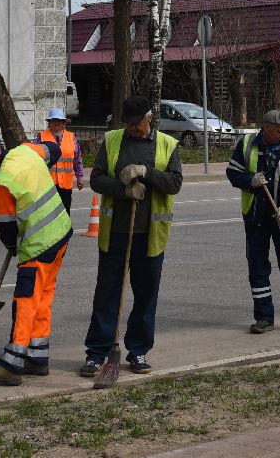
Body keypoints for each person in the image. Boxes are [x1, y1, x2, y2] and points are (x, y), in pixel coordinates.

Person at [79, 95, 182, 377]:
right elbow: (97, 179)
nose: (132, 129)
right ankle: (97, 352)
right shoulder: (113, 141)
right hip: (115, 233)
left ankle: (138, 351)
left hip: (149, 235)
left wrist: (146, 173)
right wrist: (122, 190)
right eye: (128, 125)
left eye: (136, 124)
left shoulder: (166, 145)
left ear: (149, 118)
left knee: (146, 294)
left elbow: (174, 183)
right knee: (107, 293)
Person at [0, 132, 72, 385]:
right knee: (43, 299)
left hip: (38, 247)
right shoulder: (25, 151)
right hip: (61, 235)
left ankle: (12, 365)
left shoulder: (3, 182)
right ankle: (37, 358)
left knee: (24, 302)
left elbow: (7, 229)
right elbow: (53, 151)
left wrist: (12, 246)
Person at [225, 109, 280, 333]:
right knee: (258, 267)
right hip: (256, 217)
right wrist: (250, 181)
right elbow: (232, 173)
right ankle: (264, 317)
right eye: (279, 132)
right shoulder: (247, 145)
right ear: (267, 128)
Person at [38, 108, 85, 212]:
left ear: (64, 123)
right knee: (48, 213)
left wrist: (80, 178)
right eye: (53, 120)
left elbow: (77, 160)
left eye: (59, 121)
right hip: (47, 184)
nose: (56, 123)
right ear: (49, 123)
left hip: (65, 184)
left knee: (64, 212)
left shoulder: (71, 137)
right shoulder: (41, 138)